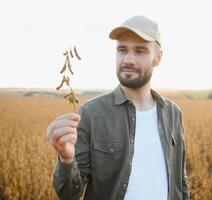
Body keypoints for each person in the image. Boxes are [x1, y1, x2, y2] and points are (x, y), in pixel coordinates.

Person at [46, 15, 190, 200]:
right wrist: (66, 160)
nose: (128, 59)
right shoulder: (91, 114)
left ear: (158, 57)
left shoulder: (173, 113)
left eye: (140, 51)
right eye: (122, 50)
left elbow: (181, 181)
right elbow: (70, 194)